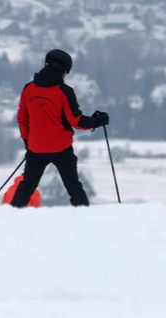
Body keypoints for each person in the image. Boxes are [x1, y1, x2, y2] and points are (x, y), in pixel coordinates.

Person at [9, 49, 107, 208]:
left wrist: (28, 141)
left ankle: (11, 215)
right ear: (64, 69)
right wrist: (97, 121)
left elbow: (22, 119)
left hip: (36, 148)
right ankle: (85, 217)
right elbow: (77, 121)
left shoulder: (29, 89)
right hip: (61, 148)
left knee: (27, 186)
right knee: (73, 187)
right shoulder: (64, 92)